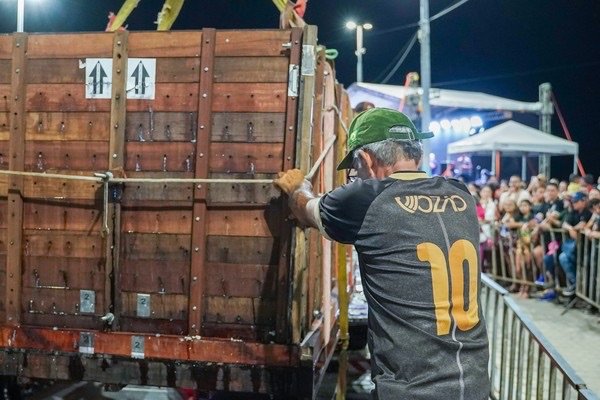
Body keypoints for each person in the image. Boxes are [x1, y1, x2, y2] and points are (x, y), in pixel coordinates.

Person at [274, 108, 490, 400]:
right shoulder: (461, 194)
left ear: (365, 159)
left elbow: (305, 208)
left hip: (411, 390)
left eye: (356, 168)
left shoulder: (366, 199)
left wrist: (298, 187)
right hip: (473, 383)